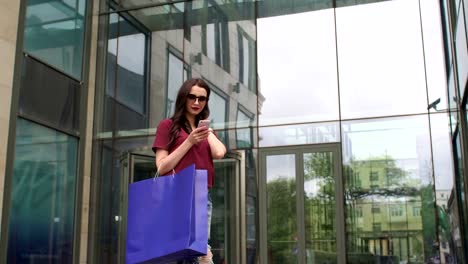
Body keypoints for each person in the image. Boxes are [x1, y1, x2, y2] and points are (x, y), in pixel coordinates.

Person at [152, 78, 226, 264]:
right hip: (176, 192)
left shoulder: (205, 131)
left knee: (199, 251)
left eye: (202, 99)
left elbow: (219, 152)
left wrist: (206, 131)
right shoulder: (168, 126)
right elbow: (161, 167)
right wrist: (189, 141)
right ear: (183, 98)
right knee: (185, 251)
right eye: (191, 97)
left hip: (202, 194)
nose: (196, 102)